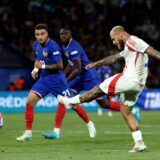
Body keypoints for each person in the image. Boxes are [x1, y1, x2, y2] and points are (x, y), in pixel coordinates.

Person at [58, 25, 160, 152]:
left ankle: (70, 101)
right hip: (138, 84)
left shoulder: (133, 41)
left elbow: (154, 52)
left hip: (129, 79)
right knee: (125, 110)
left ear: (120, 34)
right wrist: (97, 63)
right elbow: (115, 57)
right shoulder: (130, 46)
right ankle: (139, 143)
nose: (113, 42)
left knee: (98, 90)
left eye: (113, 39)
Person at [16, 24, 96, 141]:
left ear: (47, 34)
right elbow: (38, 60)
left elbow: (60, 65)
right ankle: (28, 134)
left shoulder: (53, 46)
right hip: (44, 80)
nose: (40, 37)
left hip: (58, 80)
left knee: (71, 104)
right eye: (37, 34)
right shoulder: (36, 44)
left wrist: (42, 65)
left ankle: (89, 123)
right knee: (29, 103)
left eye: (42, 34)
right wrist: (36, 69)